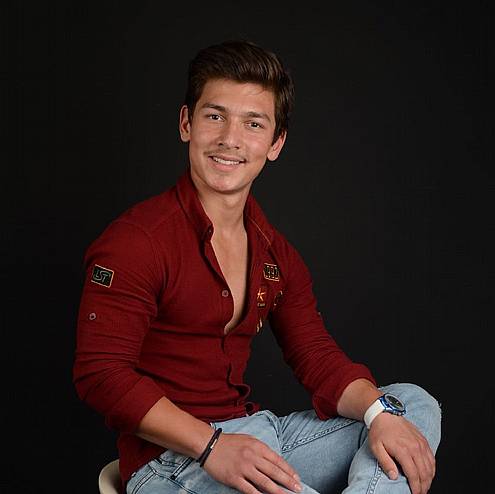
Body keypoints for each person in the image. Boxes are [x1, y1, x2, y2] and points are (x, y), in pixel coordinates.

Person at [73, 40, 441, 494]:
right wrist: (211, 446)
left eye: (253, 124)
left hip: (258, 437)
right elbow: (101, 374)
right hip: (170, 463)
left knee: (409, 406)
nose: (230, 139)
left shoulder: (274, 253)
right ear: (187, 123)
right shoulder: (137, 241)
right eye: (215, 116)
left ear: (275, 143)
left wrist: (378, 413)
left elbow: (315, 356)